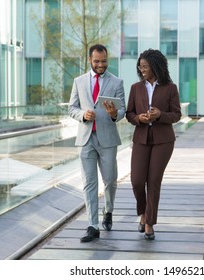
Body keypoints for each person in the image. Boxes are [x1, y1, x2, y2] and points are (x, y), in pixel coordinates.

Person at [68, 44, 126, 242]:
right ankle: (92, 225)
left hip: (108, 139)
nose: (101, 64)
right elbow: (71, 108)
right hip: (85, 139)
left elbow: (122, 111)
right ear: (90, 60)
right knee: (89, 183)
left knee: (110, 180)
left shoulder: (117, 82)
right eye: (97, 61)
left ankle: (108, 210)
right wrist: (83, 114)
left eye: (104, 61)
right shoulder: (79, 81)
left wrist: (113, 114)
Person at [126, 49, 181, 240]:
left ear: (156, 67)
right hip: (141, 138)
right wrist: (138, 118)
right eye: (140, 67)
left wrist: (160, 115)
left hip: (163, 141)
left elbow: (176, 115)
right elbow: (129, 114)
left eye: (145, 67)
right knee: (137, 181)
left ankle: (149, 222)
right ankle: (143, 212)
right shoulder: (135, 88)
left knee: (154, 181)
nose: (142, 70)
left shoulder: (170, 88)